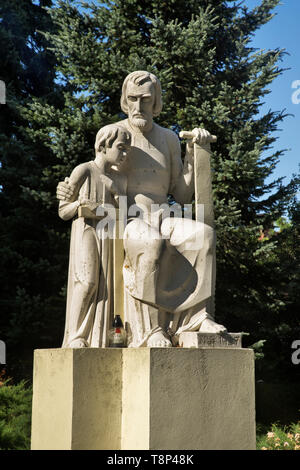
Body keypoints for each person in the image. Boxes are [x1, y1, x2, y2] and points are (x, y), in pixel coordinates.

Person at [57, 71, 226, 348]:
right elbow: (94, 170)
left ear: (155, 101)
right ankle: (151, 331)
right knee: (150, 243)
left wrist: (193, 155)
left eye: (145, 99)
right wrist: (68, 192)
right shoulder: (117, 135)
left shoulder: (170, 139)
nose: (138, 106)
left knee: (204, 236)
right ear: (125, 100)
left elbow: (182, 196)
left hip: (165, 213)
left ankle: (197, 318)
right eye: (132, 99)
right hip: (126, 216)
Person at [59, 124, 131, 348]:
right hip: (87, 230)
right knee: (88, 281)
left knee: (106, 287)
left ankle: (95, 337)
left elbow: (123, 214)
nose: (124, 154)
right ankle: (75, 335)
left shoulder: (118, 180)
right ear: (103, 145)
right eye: (121, 148)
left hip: (109, 235)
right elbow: (63, 210)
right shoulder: (84, 170)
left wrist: (116, 193)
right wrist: (80, 204)